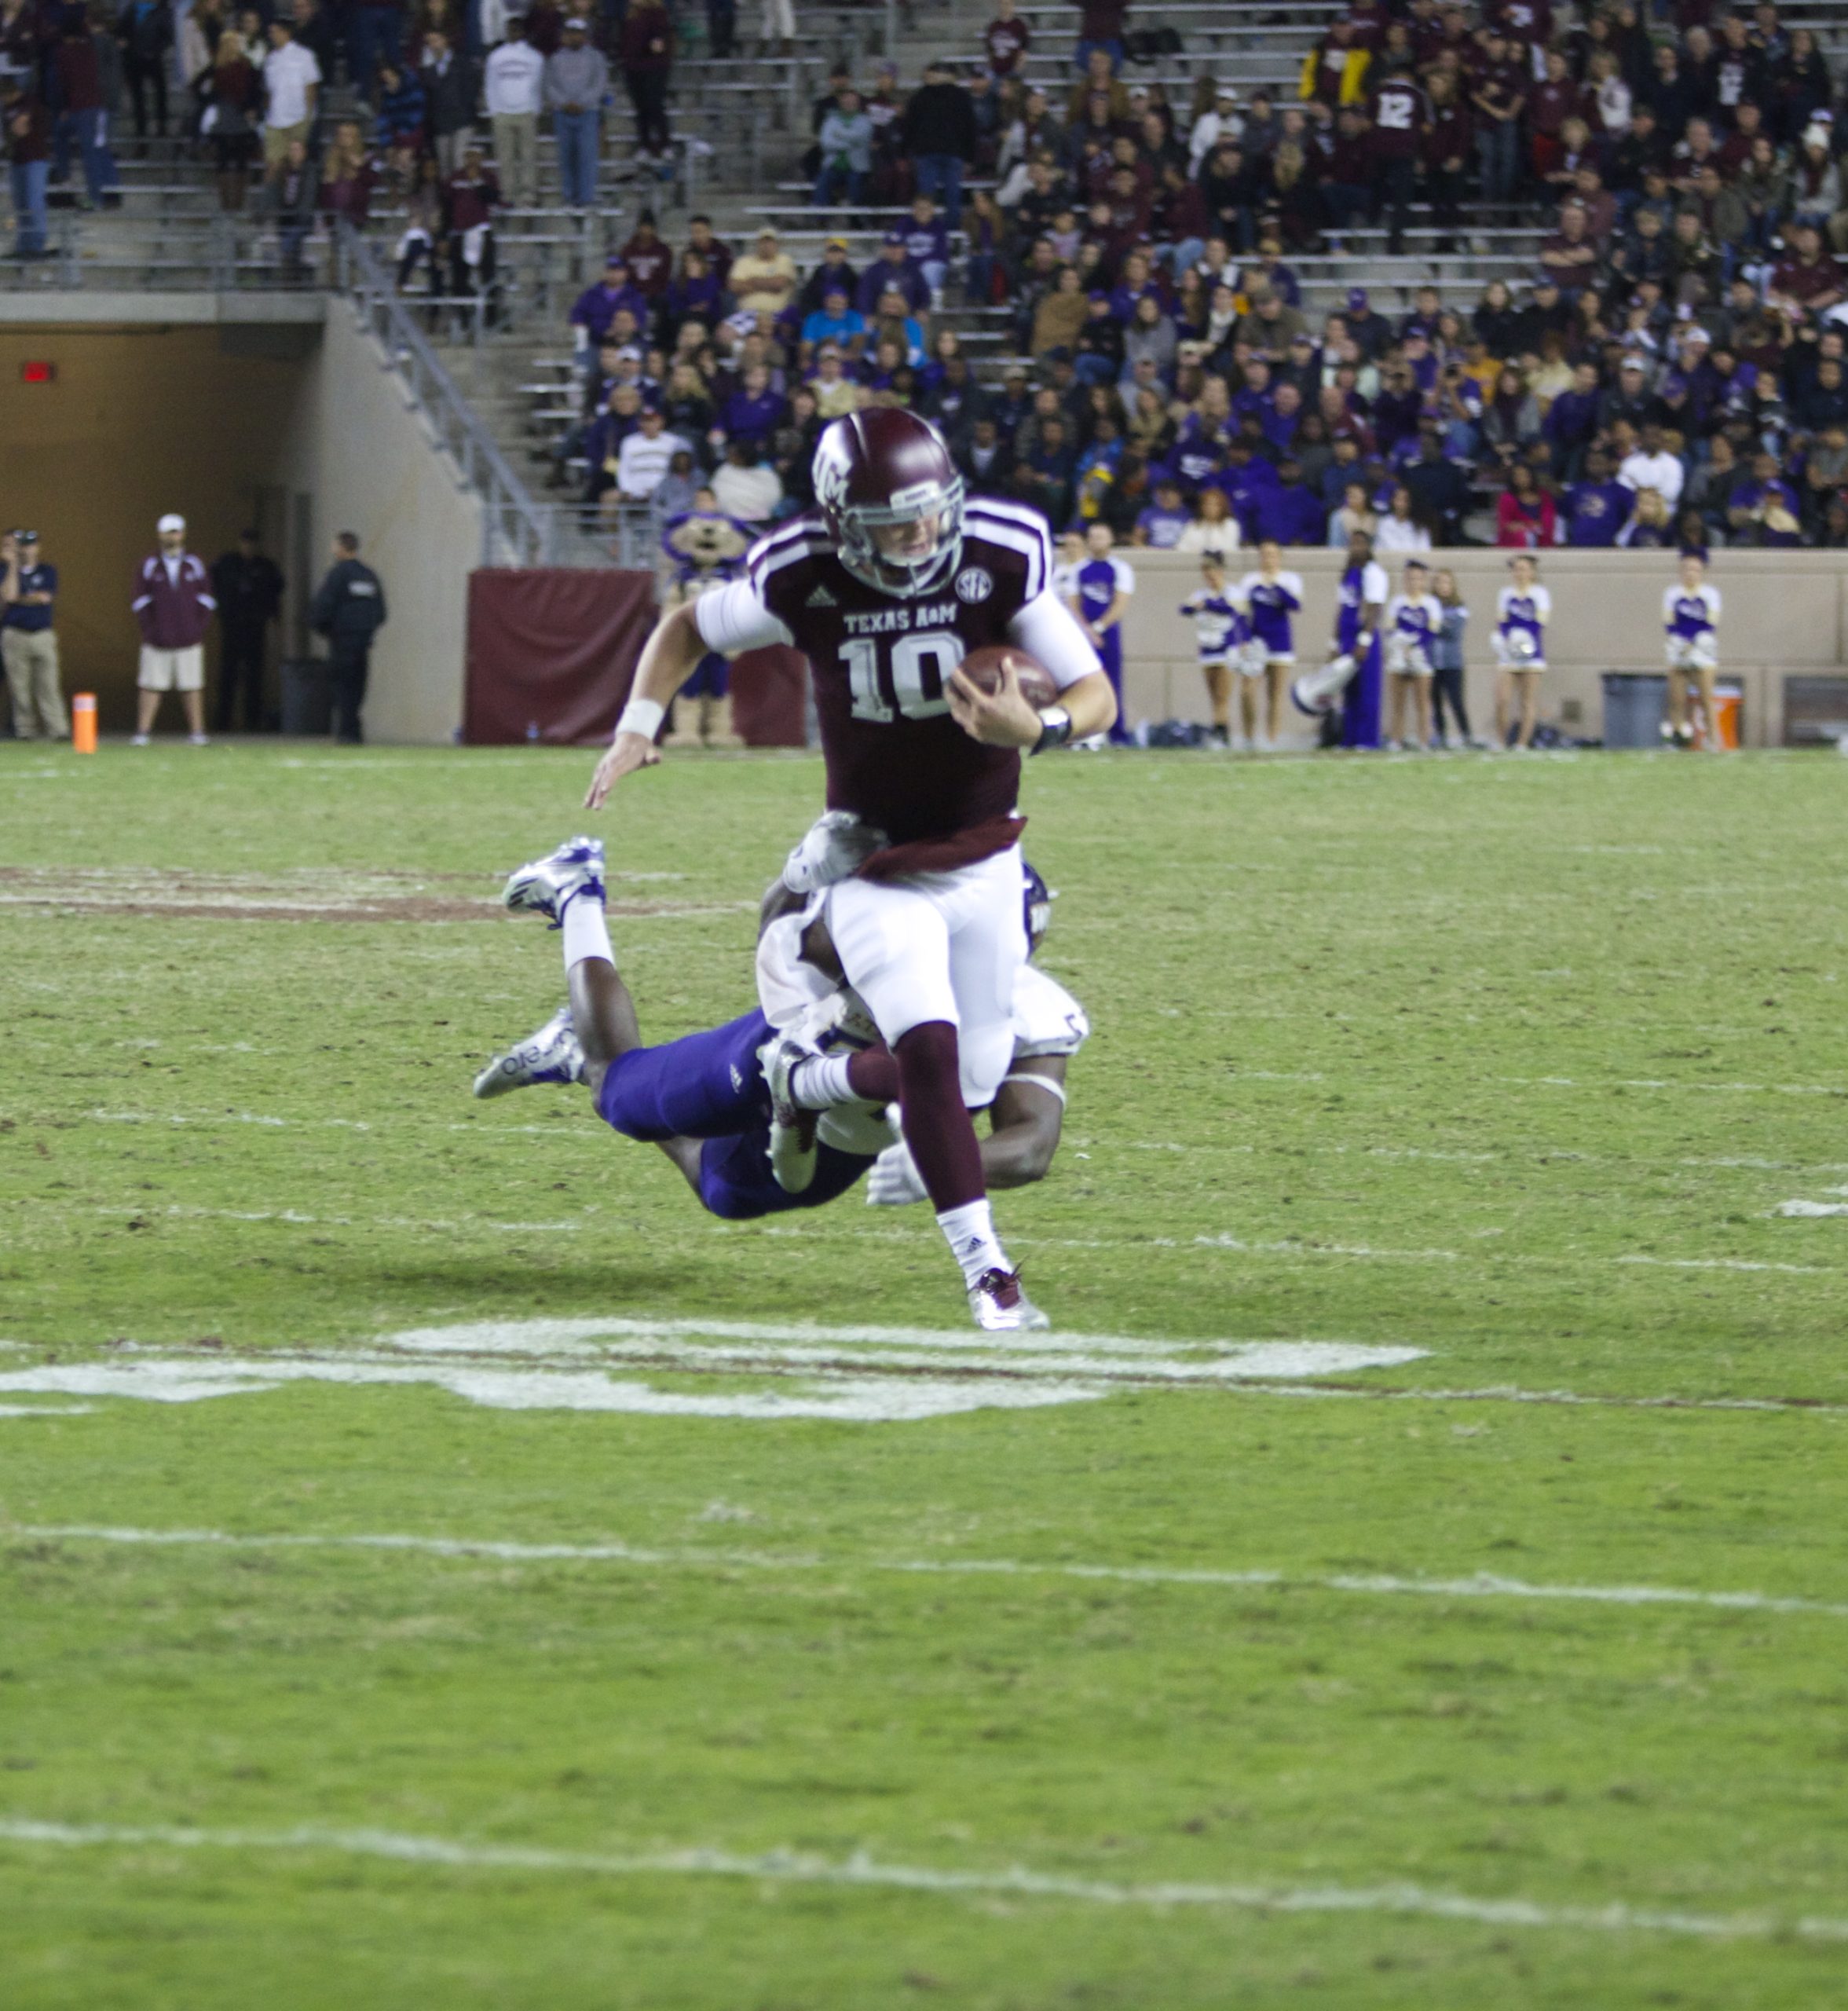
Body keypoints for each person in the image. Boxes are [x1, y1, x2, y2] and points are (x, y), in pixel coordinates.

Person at [580, 407, 1117, 1332]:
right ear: (838, 519)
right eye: (890, 521)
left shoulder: (1001, 546)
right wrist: (638, 724)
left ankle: (806, 1082)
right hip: (868, 859)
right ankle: (991, 1277)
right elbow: (684, 630)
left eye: (927, 511)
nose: (918, 534)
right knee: (927, 1047)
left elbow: (1094, 692)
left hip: (987, 852)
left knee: (974, 1076)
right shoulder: (798, 571)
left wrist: (1041, 729)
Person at [477, 840, 1086, 1232]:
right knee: (619, 1097)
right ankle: (577, 893)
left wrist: (949, 1165)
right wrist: (809, 862)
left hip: (846, 1127)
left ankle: (575, 1048)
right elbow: (778, 928)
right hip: (776, 1053)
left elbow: (1031, 1144)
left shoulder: (1032, 1010)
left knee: (725, 1193)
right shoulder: (874, 939)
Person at [131, 512, 216, 745]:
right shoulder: (149, 564)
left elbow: (206, 599)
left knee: (192, 686)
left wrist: (197, 628)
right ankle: (143, 732)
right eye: (169, 532)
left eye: (176, 531)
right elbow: (140, 600)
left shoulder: (194, 563)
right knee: (151, 686)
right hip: (157, 639)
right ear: (160, 535)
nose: (173, 536)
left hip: (189, 638)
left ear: (183, 534)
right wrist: (150, 630)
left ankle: (197, 732)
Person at [308, 531, 387, 743]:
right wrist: (366, 630)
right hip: (362, 643)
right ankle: (353, 730)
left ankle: (346, 732)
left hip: (342, 642)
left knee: (342, 687)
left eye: (335, 546)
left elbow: (323, 607)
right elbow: (380, 612)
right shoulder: (368, 575)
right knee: (357, 687)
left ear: (341, 548)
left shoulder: (337, 575)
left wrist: (323, 629)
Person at [210, 529, 284, 732]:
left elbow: (275, 592)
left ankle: (252, 722)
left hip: (255, 627)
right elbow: (212, 584)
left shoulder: (266, 567)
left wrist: (273, 617)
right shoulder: (228, 564)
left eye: (252, 544)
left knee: (254, 676)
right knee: (228, 675)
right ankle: (222, 722)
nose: (248, 547)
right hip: (232, 626)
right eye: (245, 543)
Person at [1, 530, 67, 740]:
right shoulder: (6, 570)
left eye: (30, 544)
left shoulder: (47, 570)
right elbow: (9, 596)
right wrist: (13, 566)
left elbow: (43, 598)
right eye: (22, 545)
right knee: (20, 688)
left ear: (37, 547)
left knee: (49, 685)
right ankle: (25, 731)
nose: (26, 549)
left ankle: (58, 730)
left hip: (42, 634)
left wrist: (22, 599)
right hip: (15, 634)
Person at [1073, 520, 1133, 747]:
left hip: (1108, 634)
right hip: (1083, 635)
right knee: (1081, 683)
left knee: (1113, 682)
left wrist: (1099, 627)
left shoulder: (1120, 568)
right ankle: (1083, 733)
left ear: (1110, 540)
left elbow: (1120, 603)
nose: (1096, 541)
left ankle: (1117, 733)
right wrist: (1086, 630)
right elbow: (1073, 603)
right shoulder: (1078, 570)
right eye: (1093, 536)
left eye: (1101, 536)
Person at [1238, 538, 1302, 748]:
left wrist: (1275, 586)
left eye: (1273, 555)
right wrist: (1243, 640)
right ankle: (1249, 737)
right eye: (1264, 554)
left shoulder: (1289, 579)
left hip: (1280, 642)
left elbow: (1295, 605)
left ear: (1279, 558)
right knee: (1248, 690)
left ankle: (1271, 739)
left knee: (1275, 695)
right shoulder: (1250, 581)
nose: (1268, 559)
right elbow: (1241, 614)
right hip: (1257, 642)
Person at [544, 16, 606, 211]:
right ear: (566, 35)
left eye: (578, 34)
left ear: (585, 36)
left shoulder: (596, 58)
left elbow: (600, 84)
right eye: (571, 33)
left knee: (587, 155)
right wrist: (564, 103)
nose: (575, 37)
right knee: (567, 156)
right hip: (563, 114)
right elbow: (549, 85)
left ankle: (586, 198)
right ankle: (569, 197)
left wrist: (582, 103)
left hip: (587, 112)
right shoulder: (555, 59)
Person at [1334, 528, 1389, 749]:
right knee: (1350, 691)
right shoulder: (1348, 573)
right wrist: (1334, 641)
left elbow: (1374, 608)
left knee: (1368, 690)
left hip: (1363, 635)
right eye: (1352, 544)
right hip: (1347, 636)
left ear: (1368, 547)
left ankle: (1367, 739)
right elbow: (1341, 608)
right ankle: (1350, 737)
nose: (1356, 548)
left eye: (1360, 544)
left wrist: (1365, 639)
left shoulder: (1374, 572)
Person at [1663, 549, 1722, 750]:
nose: (1691, 573)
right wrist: (1680, 642)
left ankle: (1713, 739)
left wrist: (1694, 642)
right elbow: (1669, 622)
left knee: (1706, 698)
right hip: (1679, 648)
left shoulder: (1710, 594)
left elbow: (1711, 623)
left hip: (1702, 649)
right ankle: (1677, 737)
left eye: (1696, 569)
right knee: (1676, 699)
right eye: (1687, 569)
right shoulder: (1672, 594)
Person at [484, 13, 543, 207]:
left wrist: (535, 109)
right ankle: (507, 194)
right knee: (505, 158)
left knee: (528, 157)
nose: (513, 33)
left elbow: (538, 85)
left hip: (526, 112)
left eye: (516, 29)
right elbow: (490, 84)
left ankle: (528, 194)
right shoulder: (496, 56)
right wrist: (494, 110)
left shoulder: (535, 57)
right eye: (510, 29)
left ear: (523, 32)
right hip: (502, 114)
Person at [1384, 559, 1441, 752]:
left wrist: (1414, 644)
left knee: (1422, 703)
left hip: (1421, 657)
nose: (1413, 582)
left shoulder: (1431, 603)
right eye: (1409, 578)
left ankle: (1424, 740)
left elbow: (1432, 630)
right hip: (1399, 657)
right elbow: (1390, 628)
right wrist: (1400, 643)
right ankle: (1395, 740)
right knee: (1398, 704)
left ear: (1423, 580)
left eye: (1417, 578)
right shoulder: (1397, 602)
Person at [1494, 551, 1549, 750]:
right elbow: (1502, 622)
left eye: (1524, 569)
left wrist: (1523, 640)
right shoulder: (1505, 594)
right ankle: (1501, 741)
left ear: (1532, 572)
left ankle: (1522, 743)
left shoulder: (1539, 594)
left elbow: (1539, 623)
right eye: (1516, 569)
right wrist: (1506, 640)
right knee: (1502, 699)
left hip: (1531, 653)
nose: (1519, 573)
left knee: (1527, 701)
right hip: (1509, 653)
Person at [260, 16, 320, 167]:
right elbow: (268, 90)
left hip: (298, 117)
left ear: (286, 33)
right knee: (273, 163)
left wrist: (308, 115)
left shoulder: (304, 56)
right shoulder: (270, 59)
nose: (272, 35)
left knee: (295, 164)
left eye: (274, 32)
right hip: (275, 119)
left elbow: (311, 86)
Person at [1429, 566, 1472, 751]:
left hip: (1452, 663)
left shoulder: (1459, 607)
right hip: (1432, 663)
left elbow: (1453, 631)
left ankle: (1466, 735)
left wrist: (1434, 625)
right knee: (1435, 701)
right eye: (1439, 582)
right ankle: (1440, 735)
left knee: (1456, 701)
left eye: (1447, 582)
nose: (1443, 586)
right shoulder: (1429, 604)